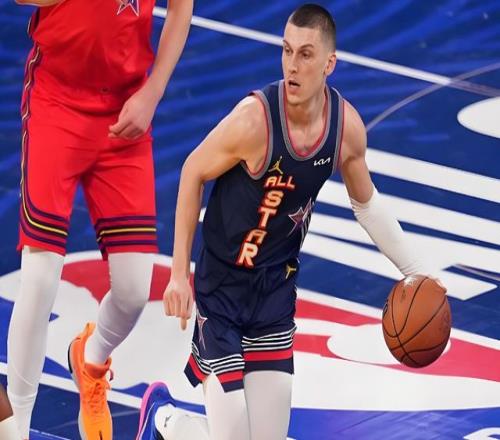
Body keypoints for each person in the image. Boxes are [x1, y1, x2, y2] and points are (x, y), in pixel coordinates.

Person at [158, 3, 443, 440]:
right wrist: (179, 275)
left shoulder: (345, 129)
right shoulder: (253, 121)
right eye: (287, 51)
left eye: (306, 54)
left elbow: (366, 205)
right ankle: (164, 419)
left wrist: (419, 273)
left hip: (274, 291)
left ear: (330, 63)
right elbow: (193, 171)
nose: (292, 66)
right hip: (222, 290)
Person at [7, 0, 193, 438]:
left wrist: (152, 94)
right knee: (40, 277)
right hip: (57, 101)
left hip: (126, 110)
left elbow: (182, 8)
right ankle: (15, 427)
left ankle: (90, 361)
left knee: (132, 293)